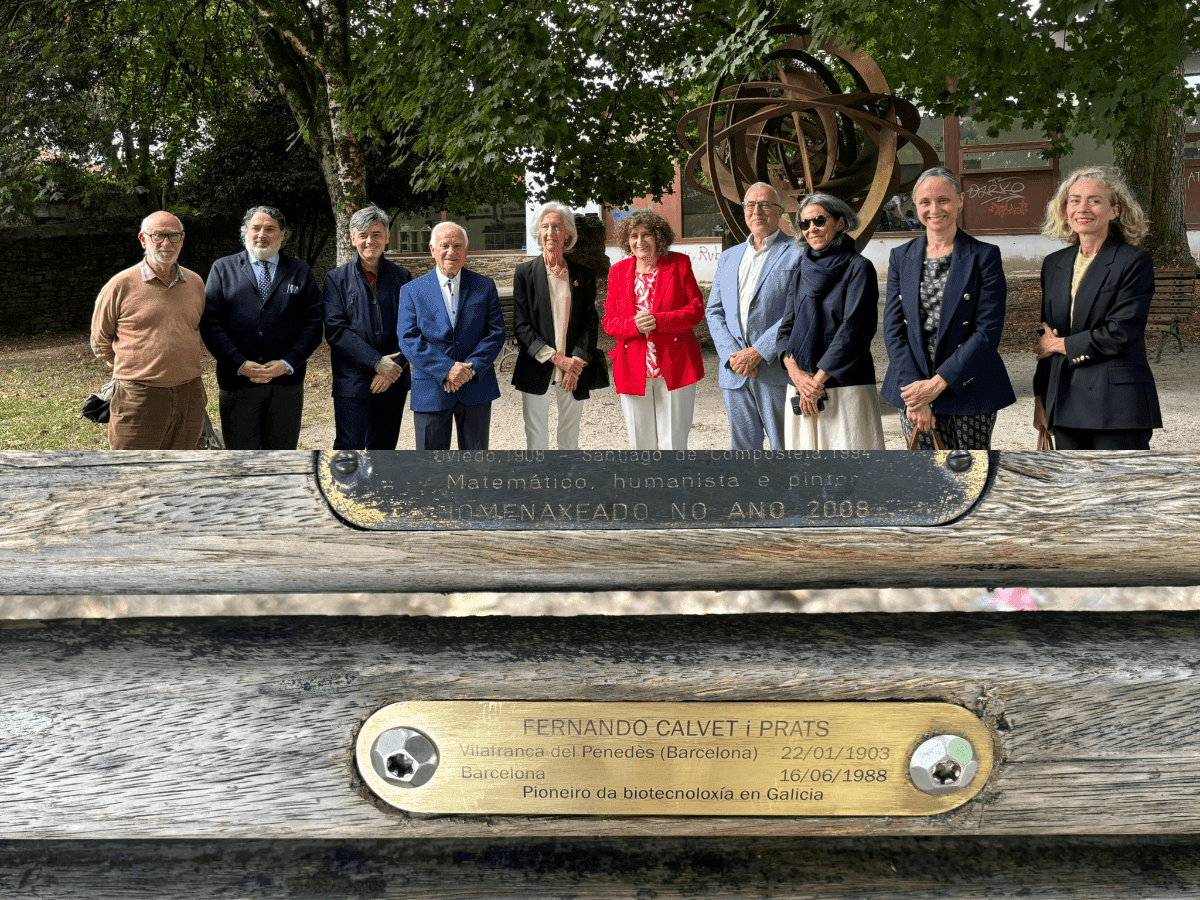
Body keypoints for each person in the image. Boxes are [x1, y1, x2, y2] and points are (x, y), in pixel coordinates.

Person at [881, 167, 1015, 449]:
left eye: (943, 200)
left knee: (969, 477)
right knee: (927, 482)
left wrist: (936, 386)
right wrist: (916, 396)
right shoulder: (900, 257)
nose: (934, 209)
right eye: (925, 202)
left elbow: (988, 330)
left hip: (969, 384)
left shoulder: (984, 256)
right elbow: (894, 330)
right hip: (912, 385)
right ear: (915, 206)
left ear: (960, 201)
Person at [1034, 166, 1161, 449]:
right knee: (1075, 493)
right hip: (1064, 402)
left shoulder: (1133, 262)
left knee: (1120, 493)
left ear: (1115, 211)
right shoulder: (1054, 264)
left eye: (1095, 200)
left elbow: (1121, 332)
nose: (1083, 208)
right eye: (1074, 200)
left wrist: (1060, 345)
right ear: (1065, 208)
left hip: (1117, 407)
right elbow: (1046, 337)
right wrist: (1041, 399)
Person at [200, 206, 323, 449]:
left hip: (286, 384)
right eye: (255, 228)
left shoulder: (301, 272)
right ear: (245, 232)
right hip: (238, 383)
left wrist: (287, 364)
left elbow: (313, 324)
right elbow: (211, 324)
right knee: (242, 461)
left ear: (282, 236)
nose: (261, 234)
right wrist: (239, 364)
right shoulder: (223, 269)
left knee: (282, 458)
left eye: (270, 229)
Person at [90, 211, 208, 449]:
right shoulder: (120, 285)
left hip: (189, 394)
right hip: (138, 397)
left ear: (182, 239)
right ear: (143, 240)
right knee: (134, 470)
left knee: (182, 469)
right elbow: (100, 338)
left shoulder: (195, 283)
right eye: (158, 236)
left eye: (173, 236)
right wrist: (132, 369)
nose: (166, 243)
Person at [776, 194, 885, 450]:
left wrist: (816, 382)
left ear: (840, 222)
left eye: (819, 220)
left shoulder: (859, 268)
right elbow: (785, 330)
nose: (811, 228)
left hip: (845, 386)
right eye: (805, 224)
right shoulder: (801, 269)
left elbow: (855, 330)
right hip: (802, 388)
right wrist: (797, 376)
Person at [706, 182, 802, 450]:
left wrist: (758, 351)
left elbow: (799, 310)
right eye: (750, 205)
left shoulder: (798, 252)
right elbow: (714, 311)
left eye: (765, 204)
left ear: (780, 211)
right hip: (735, 371)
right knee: (743, 449)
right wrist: (733, 356)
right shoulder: (729, 257)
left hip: (775, 369)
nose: (756, 211)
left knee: (785, 446)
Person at [601, 209, 705, 450]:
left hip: (675, 361)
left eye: (646, 234)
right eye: (633, 236)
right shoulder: (618, 272)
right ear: (627, 241)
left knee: (674, 440)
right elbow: (609, 321)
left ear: (658, 237)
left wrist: (660, 321)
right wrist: (633, 325)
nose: (639, 242)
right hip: (633, 364)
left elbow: (696, 309)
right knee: (641, 440)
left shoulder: (678, 264)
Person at [398, 221, 505, 450]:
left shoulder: (484, 286)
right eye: (444, 245)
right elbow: (408, 338)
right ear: (432, 249)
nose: (451, 252)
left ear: (466, 250)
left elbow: (496, 333)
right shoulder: (412, 290)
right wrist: (447, 369)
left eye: (457, 246)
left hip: (475, 386)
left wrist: (469, 369)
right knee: (431, 470)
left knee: (475, 466)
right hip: (431, 389)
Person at [511, 202, 609, 450]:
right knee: (536, 435)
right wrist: (557, 358)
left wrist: (575, 360)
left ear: (567, 234)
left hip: (574, 366)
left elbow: (590, 320)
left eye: (557, 227)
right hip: (537, 363)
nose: (550, 232)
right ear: (538, 233)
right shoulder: (524, 273)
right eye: (545, 226)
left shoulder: (582, 275)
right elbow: (521, 325)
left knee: (569, 434)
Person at [323, 205, 413, 450]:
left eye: (376, 234)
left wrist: (393, 367)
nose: (369, 241)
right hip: (352, 382)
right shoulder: (336, 279)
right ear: (353, 239)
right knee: (348, 448)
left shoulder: (402, 277)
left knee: (384, 449)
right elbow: (336, 331)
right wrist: (376, 362)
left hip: (392, 380)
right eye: (362, 235)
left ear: (386, 237)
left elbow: (411, 329)